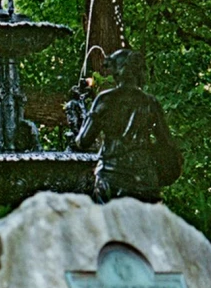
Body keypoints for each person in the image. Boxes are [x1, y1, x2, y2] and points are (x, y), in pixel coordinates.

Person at [75, 49, 182, 203]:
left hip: (112, 176)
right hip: (145, 178)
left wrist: (85, 115)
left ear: (117, 71)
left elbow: (83, 142)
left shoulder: (104, 100)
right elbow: (166, 142)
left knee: (108, 225)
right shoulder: (150, 103)